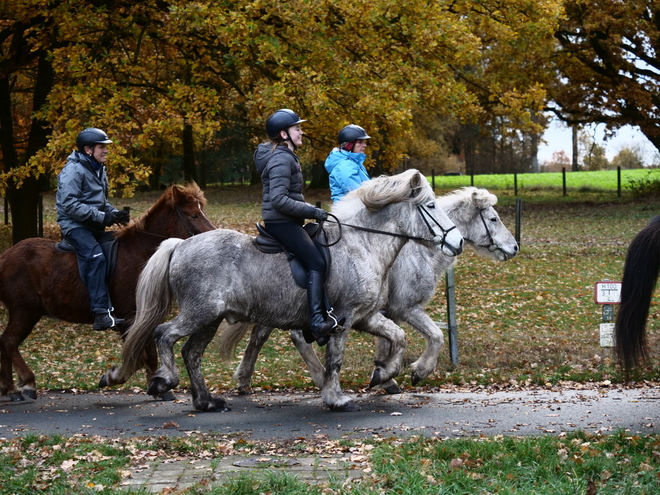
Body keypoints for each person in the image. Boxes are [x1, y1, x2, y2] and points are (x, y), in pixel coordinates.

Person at [253, 109, 342, 346]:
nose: (301, 132)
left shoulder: (286, 155)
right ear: (284, 134)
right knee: (317, 262)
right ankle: (315, 323)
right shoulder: (281, 158)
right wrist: (313, 211)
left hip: (289, 221)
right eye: (297, 128)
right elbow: (279, 200)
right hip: (281, 223)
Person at [56, 127, 130, 331]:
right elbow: (70, 205)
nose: (106, 150)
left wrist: (114, 214)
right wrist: (103, 217)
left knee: (125, 245)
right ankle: (100, 313)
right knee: (96, 257)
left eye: (105, 147)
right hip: (75, 226)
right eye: (102, 147)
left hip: (93, 225)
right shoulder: (72, 171)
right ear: (88, 150)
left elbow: (100, 202)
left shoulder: (98, 168)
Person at [325, 124, 371, 202]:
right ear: (349, 145)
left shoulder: (354, 163)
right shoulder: (344, 165)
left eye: (363, 142)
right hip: (349, 211)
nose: (364, 145)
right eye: (360, 142)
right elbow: (357, 193)